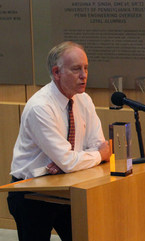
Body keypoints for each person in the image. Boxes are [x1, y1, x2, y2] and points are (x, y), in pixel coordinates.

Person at [7, 41, 110, 241]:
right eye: (76, 69)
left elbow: (97, 145)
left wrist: (95, 154)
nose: (84, 75)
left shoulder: (84, 100)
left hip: (67, 188)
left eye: (86, 68)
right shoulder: (41, 107)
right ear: (56, 72)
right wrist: (98, 155)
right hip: (31, 192)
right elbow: (69, 161)